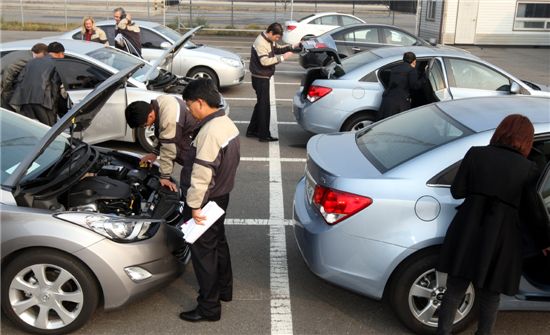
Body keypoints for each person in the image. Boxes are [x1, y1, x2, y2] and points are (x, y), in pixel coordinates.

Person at [436, 114, 550, 335]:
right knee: (491, 294)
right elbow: (533, 212)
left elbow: (457, 191)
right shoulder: (528, 169)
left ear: (500, 131)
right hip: (501, 237)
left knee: (455, 289)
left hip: (467, 229)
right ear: (526, 139)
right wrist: (545, 241)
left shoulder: (476, 154)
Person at [178, 78, 240, 322]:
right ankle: (225, 290)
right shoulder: (226, 123)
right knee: (218, 246)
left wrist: (194, 206)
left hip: (205, 201)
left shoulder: (210, 132)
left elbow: (202, 174)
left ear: (200, 103)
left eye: (189, 105)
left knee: (203, 255)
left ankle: (209, 308)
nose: (188, 110)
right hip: (221, 198)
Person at [124, 95, 198, 192]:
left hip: (195, 148)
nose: (145, 127)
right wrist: (154, 153)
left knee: (190, 183)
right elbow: (162, 134)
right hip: (187, 137)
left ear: (150, 115)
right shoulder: (160, 102)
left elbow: (169, 151)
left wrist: (164, 177)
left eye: (144, 125)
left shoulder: (169, 120)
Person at [247, 22, 296, 142]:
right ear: (270, 32)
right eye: (277, 37)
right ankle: (264, 135)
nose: (277, 39)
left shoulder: (269, 40)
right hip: (260, 78)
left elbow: (277, 49)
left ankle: (251, 130)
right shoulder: (260, 43)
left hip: (262, 77)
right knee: (264, 106)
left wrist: (292, 47)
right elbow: (264, 61)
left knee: (260, 104)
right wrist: (283, 58)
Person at [9, 42, 69, 126]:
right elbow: (55, 86)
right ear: (61, 54)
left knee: (32, 129)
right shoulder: (57, 64)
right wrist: (55, 108)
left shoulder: (32, 62)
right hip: (44, 102)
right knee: (48, 130)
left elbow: (19, 80)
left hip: (25, 101)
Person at [378, 51, 426, 120]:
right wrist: (424, 77)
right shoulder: (412, 70)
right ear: (414, 61)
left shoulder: (395, 68)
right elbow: (415, 86)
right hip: (399, 103)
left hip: (388, 99)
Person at [1, 43, 48, 111]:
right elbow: (9, 70)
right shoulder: (28, 59)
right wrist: (7, 88)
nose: (44, 57)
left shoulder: (24, 53)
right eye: (44, 55)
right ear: (40, 53)